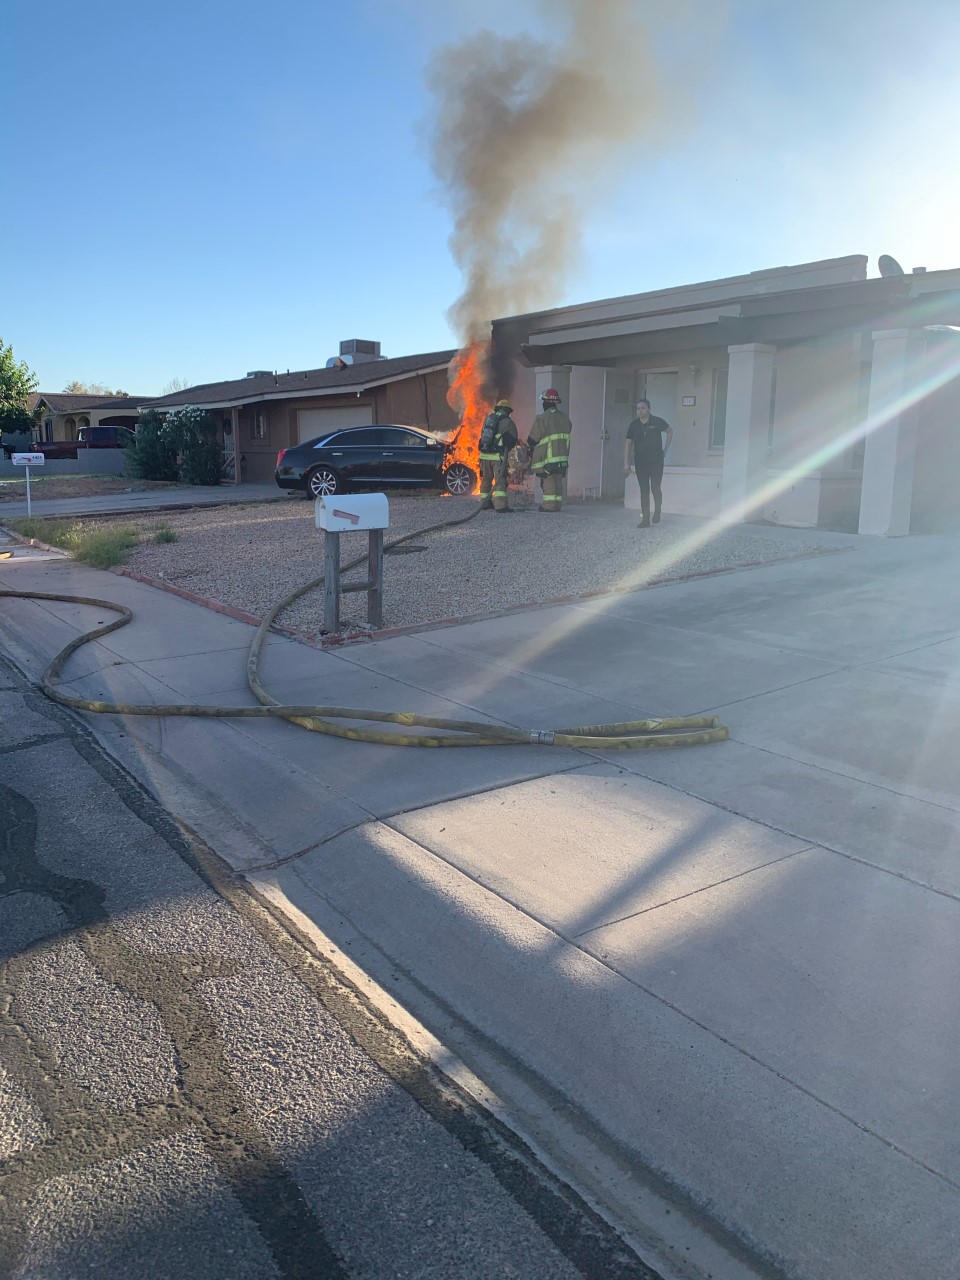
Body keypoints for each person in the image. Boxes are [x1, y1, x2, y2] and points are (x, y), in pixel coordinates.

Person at [625, 398, 673, 527]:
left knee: (655, 488)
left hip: (656, 460)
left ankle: (657, 511)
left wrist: (666, 450)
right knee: (644, 490)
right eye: (638, 408)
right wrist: (626, 462)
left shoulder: (657, 421)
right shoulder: (634, 425)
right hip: (641, 461)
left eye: (643, 408)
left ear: (649, 409)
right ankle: (645, 519)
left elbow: (670, 431)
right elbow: (628, 443)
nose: (640, 411)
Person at [527, 388, 573, 512]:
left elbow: (533, 439)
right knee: (558, 480)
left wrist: (529, 447)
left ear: (546, 403)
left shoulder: (542, 419)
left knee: (549, 481)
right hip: (562, 457)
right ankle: (557, 505)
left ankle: (549, 506)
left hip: (548, 457)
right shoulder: (565, 418)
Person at [478, 399, 519, 512]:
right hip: (497, 457)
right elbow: (513, 440)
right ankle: (501, 506)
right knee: (500, 480)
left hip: (484, 456)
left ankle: (484, 503)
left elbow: (483, 436)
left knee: (486, 479)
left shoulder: (488, 420)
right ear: (508, 411)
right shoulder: (508, 422)